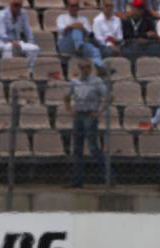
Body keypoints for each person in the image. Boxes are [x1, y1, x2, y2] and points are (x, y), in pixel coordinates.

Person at [65, 60, 110, 188]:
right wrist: (69, 110)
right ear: (79, 68)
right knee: (77, 149)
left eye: (87, 67)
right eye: (83, 67)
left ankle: (108, 177)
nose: (85, 69)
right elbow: (66, 97)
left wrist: (99, 112)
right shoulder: (74, 82)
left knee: (93, 147)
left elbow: (108, 97)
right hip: (79, 115)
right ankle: (77, 180)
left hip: (90, 114)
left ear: (90, 69)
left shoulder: (97, 81)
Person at [0, 0, 40, 72]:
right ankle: (6, 71)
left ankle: (29, 71)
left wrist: (31, 42)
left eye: (19, 5)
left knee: (34, 48)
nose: (17, 7)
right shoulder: (1, 15)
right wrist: (12, 42)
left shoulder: (23, 13)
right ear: (10, 4)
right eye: (15, 5)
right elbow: (1, 34)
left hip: (17, 41)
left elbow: (27, 29)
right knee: (8, 48)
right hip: (0, 41)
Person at [57, 0, 104, 71]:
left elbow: (88, 33)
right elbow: (63, 31)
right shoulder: (61, 18)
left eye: (76, 6)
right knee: (76, 30)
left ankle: (100, 67)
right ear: (67, 7)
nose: (74, 8)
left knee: (95, 50)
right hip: (66, 46)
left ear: (78, 7)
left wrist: (81, 28)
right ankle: (79, 47)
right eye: (72, 6)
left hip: (82, 44)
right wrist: (73, 26)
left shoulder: (83, 19)